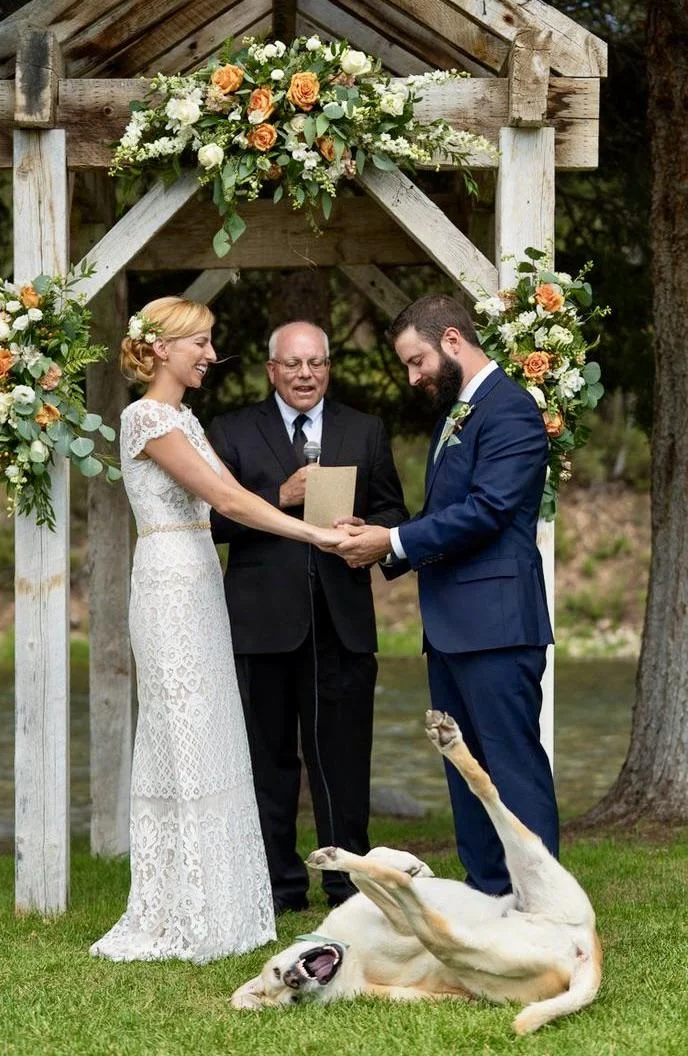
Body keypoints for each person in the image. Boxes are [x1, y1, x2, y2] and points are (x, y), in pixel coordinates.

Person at [89, 298, 346, 963]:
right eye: (200, 343)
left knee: (213, 730)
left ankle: (222, 899)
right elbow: (231, 502)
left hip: (203, 578)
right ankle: (182, 905)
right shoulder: (145, 417)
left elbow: (237, 492)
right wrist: (315, 531)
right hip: (170, 581)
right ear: (164, 348)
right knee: (182, 729)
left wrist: (311, 509)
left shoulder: (184, 417)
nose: (210, 354)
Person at [334, 295, 558, 896]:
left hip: (498, 626)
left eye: (416, 361)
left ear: (452, 340)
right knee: (466, 770)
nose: (412, 377)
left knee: (511, 768)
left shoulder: (508, 409)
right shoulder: (458, 412)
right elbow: (445, 514)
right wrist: (381, 540)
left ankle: (542, 907)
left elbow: (487, 511)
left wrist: (394, 539)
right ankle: (489, 894)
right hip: (454, 626)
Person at [208, 321, 408, 913]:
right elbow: (212, 524)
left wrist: (366, 529)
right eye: (293, 364)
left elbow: (394, 510)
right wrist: (279, 500)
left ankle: (350, 887)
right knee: (268, 762)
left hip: (341, 623)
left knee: (343, 760)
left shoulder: (365, 430)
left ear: (328, 367)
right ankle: (278, 887)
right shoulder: (233, 431)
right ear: (271, 369)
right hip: (262, 626)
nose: (305, 374)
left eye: (316, 363)